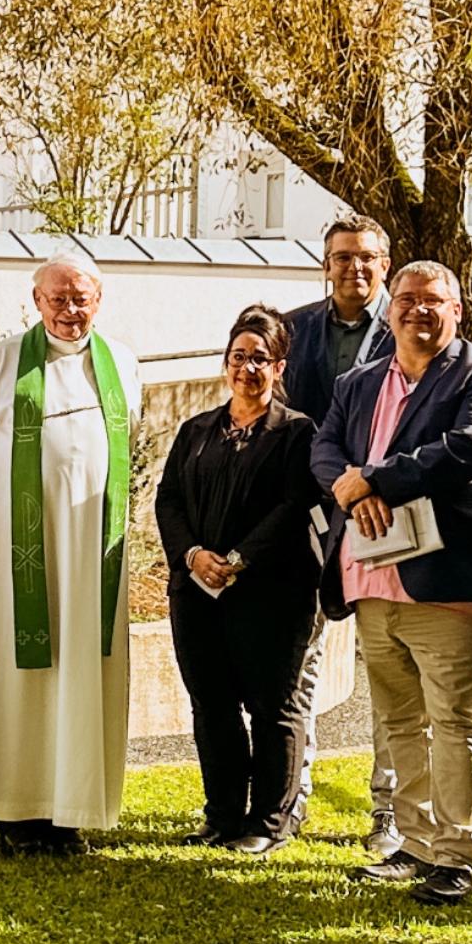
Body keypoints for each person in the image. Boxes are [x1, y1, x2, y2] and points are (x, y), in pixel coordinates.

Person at [312, 260, 472, 904]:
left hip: (448, 578)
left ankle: (457, 854)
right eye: (406, 299)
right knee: (401, 720)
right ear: (390, 306)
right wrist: (349, 488)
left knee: (455, 719)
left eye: (434, 301)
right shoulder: (359, 380)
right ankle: (413, 842)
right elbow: (324, 451)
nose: (418, 311)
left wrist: (376, 479)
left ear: (456, 310)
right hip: (374, 575)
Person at [0, 256, 142, 852]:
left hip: (91, 559)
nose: (69, 309)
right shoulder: (3, 362)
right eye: (57, 298)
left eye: (81, 298)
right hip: (16, 555)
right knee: (19, 676)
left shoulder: (122, 365)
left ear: (98, 300)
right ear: (36, 299)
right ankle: (14, 808)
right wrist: (8, 521)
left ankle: (68, 808)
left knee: (81, 669)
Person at [153, 306, 320, 856]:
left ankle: (270, 822)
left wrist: (241, 558)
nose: (247, 369)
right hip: (198, 593)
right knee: (213, 705)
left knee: (273, 708)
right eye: (238, 358)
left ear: (279, 368)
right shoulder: (196, 431)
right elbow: (169, 499)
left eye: (260, 360)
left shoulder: (297, 433)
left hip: (270, 593)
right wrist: (194, 555)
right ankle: (223, 815)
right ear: (226, 363)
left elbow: (297, 505)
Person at [282, 213, 399, 855]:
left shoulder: (410, 325)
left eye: (367, 258)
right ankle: (291, 797)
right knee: (303, 664)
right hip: (311, 517)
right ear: (325, 264)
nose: (355, 268)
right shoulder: (295, 330)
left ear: (385, 263)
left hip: (383, 515)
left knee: (386, 666)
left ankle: (387, 808)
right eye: (342, 257)